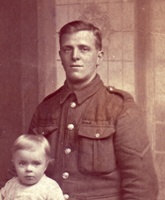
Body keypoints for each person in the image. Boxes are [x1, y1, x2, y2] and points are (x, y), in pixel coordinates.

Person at [28, 20, 158, 200]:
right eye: (68, 49)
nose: (75, 56)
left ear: (99, 57)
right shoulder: (45, 109)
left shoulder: (120, 107)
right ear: (60, 56)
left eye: (84, 49)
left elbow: (141, 186)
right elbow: (20, 169)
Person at [0, 134, 64, 200]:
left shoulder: (50, 188)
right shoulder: (10, 185)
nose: (29, 169)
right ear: (14, 164)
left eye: (36, 164)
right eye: (22, 163)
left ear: (45, 165)